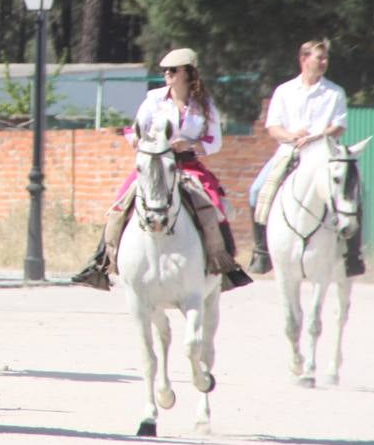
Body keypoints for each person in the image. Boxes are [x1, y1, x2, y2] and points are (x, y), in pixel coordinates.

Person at [72, 48, 252, 291]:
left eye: (173, 70)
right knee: (119, 205)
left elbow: (215, 141)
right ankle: (100, 263)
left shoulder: (205, 104)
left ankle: (225, 265)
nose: (167, 73)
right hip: (155, 164)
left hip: (188, 164)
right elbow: (135, 129)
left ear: (188, 73)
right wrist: (136, 139)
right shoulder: (154, 98)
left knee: (215, 207)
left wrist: (190, 144)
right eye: (165, 70)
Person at [248, 39, 357, 276]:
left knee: (357, 192)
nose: (324, 62)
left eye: (326, 58)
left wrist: (316, 136)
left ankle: (352, 256)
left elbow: (338, 127)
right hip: (289, 151)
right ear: (303, 59)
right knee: (257, 191)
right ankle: (262, 252)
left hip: (325, 155)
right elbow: (273, 127)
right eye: (320, 58)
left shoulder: (335, 92)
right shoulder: (284, 91)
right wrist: (290, 135)